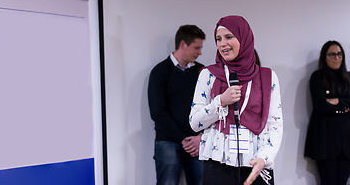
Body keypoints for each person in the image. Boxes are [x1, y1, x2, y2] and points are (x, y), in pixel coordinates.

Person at [189, 15, 283, 185]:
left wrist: (264, 158)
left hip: (256, 162)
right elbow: (195, 123)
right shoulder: (208, 74)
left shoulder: (268, 77)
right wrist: (220, 102)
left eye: (229, 37)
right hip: (218, 164)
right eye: (218, 39)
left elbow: (274, 125)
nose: (222, 43)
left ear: (244, 38)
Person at [148, 24, 206, 185]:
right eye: (196, 47)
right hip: (168, 141)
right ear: (182, 44)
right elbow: (158, 112)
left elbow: (210, 109)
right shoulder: (160, 72)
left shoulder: (203, 73)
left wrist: (200, 138)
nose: (200, 52)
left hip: (197, 141)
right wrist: (184, 139)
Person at [304, 40, 350, 185]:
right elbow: (320, 105)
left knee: (342, 181)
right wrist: (345, 105)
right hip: (325, 140)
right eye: (332, 54)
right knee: (328, 182)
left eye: (339, 54)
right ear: (324, 57)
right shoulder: (318, 77)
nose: (337, 58)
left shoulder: (349, 77)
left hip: (346, 141)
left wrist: (336, 101)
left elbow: (328, 104)